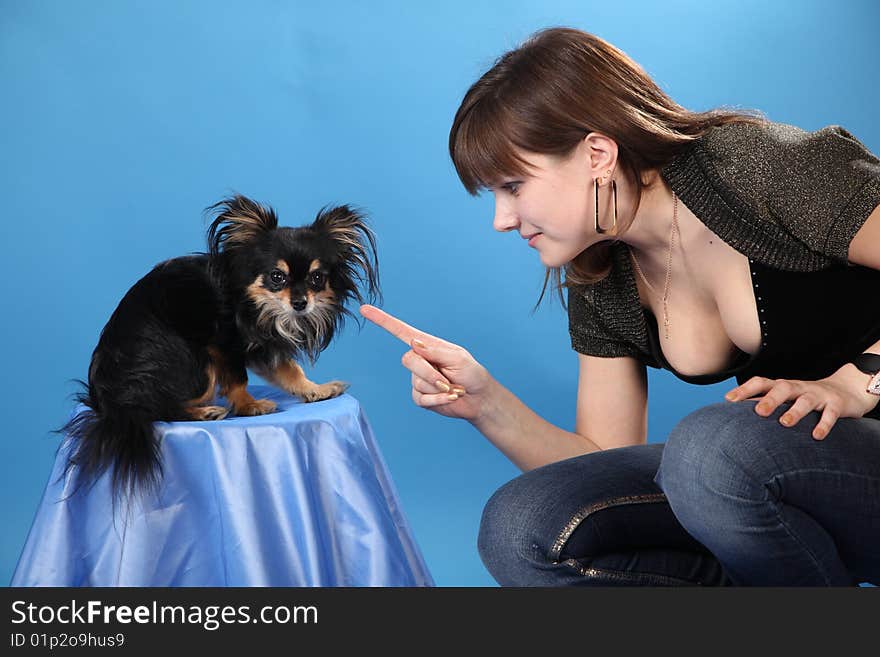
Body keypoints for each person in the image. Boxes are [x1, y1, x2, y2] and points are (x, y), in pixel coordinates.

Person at [360, 27, 880, 586]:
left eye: (512, 186)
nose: (501, 219)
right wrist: (486, 403)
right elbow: (600, 464)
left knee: (709, 452)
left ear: (597, 154)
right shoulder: (600, 266)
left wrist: (857, 382)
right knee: (524, 527)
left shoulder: (750, 166)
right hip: (795, 489)